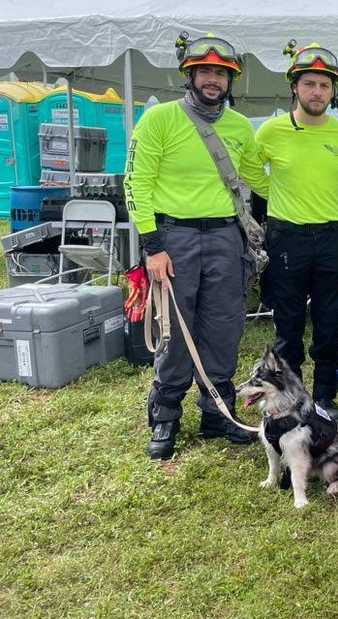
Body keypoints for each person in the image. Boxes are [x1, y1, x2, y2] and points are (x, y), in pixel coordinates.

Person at [124, 33, 268, 459]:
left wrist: (307, 192)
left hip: (226, 237)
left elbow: (255, 181)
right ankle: (165, 413)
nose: (212, 80)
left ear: (230, 80)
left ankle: (216, 412)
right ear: (189, 74)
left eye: (220, 73)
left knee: (224, 326)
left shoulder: (242, 128)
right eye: (204, 71)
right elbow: (136, 182)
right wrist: (152, 246)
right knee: (173, 327)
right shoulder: (159, 119)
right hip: (174, 238)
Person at [254, 43, 338, 421]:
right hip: (287, 239)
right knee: (289, 327)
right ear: (294, 87)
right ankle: (291, 401)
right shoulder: (270, 130)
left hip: (332, 237)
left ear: (333, 91)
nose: (317, 92)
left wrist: (325, 196)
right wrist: (279, 195)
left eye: (324, 85)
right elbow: (251, 171)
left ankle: (326, 399)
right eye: (309, 84)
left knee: (330, 326)